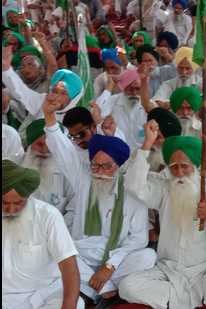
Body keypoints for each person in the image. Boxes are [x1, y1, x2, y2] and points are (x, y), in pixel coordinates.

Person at [42, 97, 156, 304]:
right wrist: (49, 117)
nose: (99, 172)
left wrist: (109, 266)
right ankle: (106, 288)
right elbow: (61, 149)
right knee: (53, 253)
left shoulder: (132, 191)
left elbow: (138, 238)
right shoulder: (83, 179)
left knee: (148, 256)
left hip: (117, 256)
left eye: (106, 166)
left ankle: (92, 287)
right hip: (83, 252)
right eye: (95, 165)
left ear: (119, 166)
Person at [119, 126, 206, 308]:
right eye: (174, 167)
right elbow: (133, 184)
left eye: (184, 167)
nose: (179, 173)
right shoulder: (164, 188)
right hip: (169, 270)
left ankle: (175, 299)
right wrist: (147, 144)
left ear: (196, 166)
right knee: (127, 286)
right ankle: (200, 298)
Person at [2, 160, 84, 309]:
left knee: (76, 304)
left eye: (19, 203)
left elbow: (68, 266)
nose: (11, 209)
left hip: (42, 296)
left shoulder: (48, 215)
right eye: (4, 203)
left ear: (28, 196)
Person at [3, 46, 84, 122]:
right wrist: (6, 69)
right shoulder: (43, 101)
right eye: (54, 91)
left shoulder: (75, 120)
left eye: (63, 93)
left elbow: (53, 65)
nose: (56, 97)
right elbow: (21, 91)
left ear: (73, 98)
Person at [21, 118, 73, 213]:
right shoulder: (13, 166)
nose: (45, 150)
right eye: (40, 144)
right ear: (29, 144)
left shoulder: (68, 171)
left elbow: (73, 210)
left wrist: (56, 227)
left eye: (51, 145)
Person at [95, 69, 148, 151]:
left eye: (137, 89)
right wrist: (109, 87)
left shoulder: (148, 106)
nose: (134, 93)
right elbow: (96, 112)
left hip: (142, 153)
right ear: (123, 88)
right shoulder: (114, 100)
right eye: (130, 89)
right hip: (118, 151)